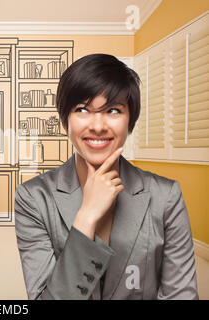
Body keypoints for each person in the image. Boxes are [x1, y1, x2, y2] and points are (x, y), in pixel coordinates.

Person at [14, 53, 199, 300]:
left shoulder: (166, 196)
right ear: (64, 120)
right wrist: (87, 216)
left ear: (130, 120)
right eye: (82, 109)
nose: (98, 125)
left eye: (113, 110)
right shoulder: (33, 197)